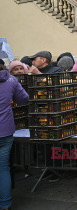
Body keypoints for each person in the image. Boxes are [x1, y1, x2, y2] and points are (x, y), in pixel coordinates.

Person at [0, 64, 29, 210]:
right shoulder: (11, 80)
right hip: (5, 130)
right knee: (3, 168)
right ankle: (5, 204)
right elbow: (24, 99)